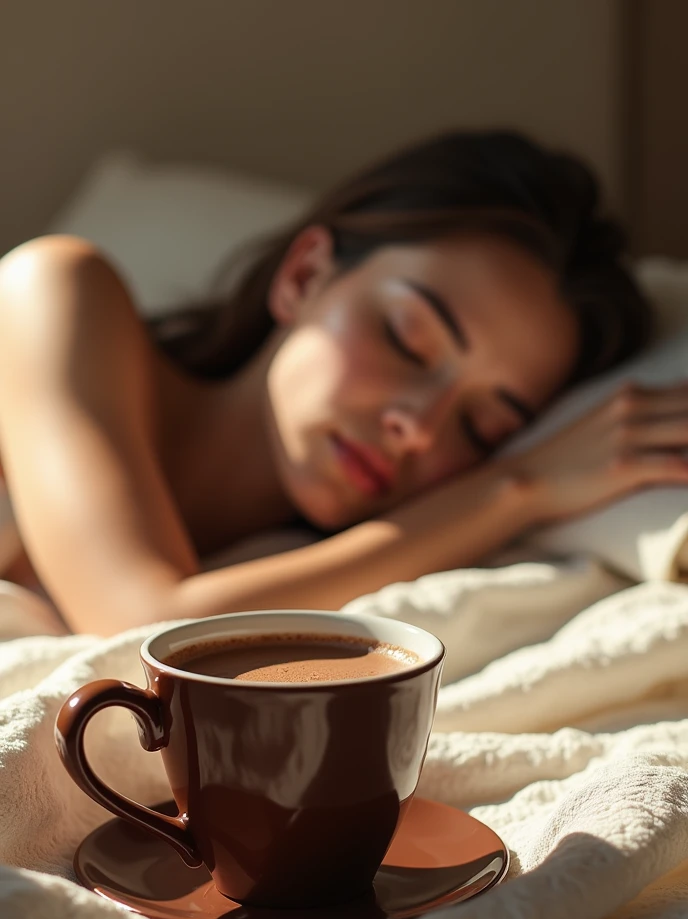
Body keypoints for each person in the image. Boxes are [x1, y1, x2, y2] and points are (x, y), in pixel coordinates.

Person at [0, 130, 685, 637]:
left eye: (484, 429)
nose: (417, 426)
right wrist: (516, 488)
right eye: (406, 338)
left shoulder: (312, 567)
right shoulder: (57, 291)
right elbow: (147, 626)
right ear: (304, 276)